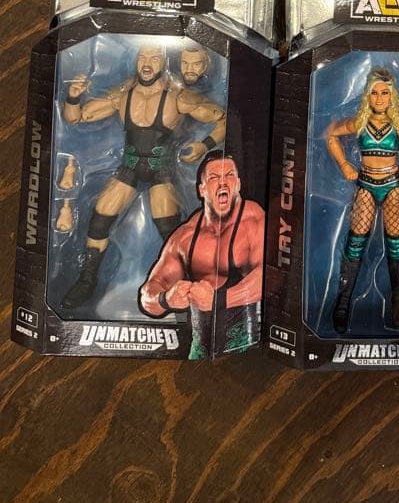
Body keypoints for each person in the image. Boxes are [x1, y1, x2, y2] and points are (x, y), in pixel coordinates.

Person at [60, 44, 226, 309]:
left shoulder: (178, 97)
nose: (147, 63)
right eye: (142, 57)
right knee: (99, 221)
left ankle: (187, 284)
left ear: (164, 62)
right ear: (136, 60)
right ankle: (87, 280)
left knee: (171, 233)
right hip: (128, 168)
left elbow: (223, 119)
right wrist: (72, 97)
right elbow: (75, 118)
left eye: (154, 57)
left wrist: (203, 145)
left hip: (161, 171)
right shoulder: (121, 96)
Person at [326, 67, 399, 332]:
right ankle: (343, 301)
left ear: (392, 96)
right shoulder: (360, 123)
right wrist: (344, 165)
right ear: (367, 95)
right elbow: (331, 134)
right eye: (374, 93)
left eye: (384, 93)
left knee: (396, 244)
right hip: (365, 184)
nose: (379, 98)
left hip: (392, 186)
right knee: (355, 242)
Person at [139, 152, 264, 359]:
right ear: (202, 189)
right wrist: (166, 299)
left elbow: (267, 279)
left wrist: (218, 300)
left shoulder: (254, 220)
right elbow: (147, 296)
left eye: (229, 175)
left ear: (238, 184)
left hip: (249, 350)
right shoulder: (185, 236)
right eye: (214, 177)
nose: (223, 182)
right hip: (200, 354)